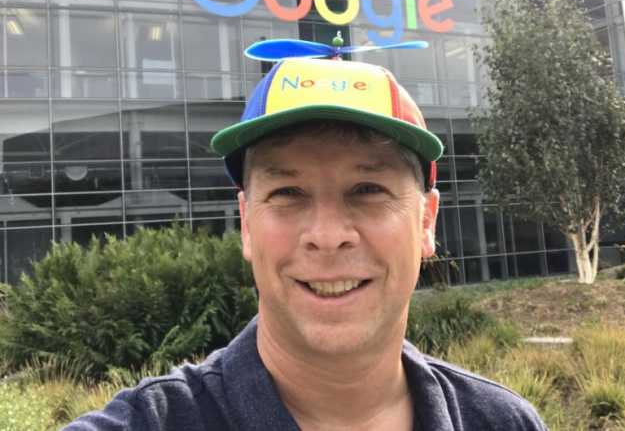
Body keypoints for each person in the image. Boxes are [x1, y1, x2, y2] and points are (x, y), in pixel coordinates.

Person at [65, 56, 547, 430]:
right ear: (247, 223)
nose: (328, 237)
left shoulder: (502, 422)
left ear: (426, 221)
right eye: (288, 193)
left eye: (368, 190)